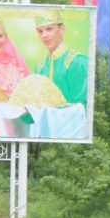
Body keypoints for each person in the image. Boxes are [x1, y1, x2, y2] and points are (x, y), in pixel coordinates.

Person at [32, 8, 90, 139]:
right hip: (43, 141)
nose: (44, 35)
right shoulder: (40, 68)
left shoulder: (77, 62)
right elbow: (34, 114)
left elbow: (83, 107)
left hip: (72, 137)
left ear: (62, 29)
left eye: (49, 29)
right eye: (40, 31)